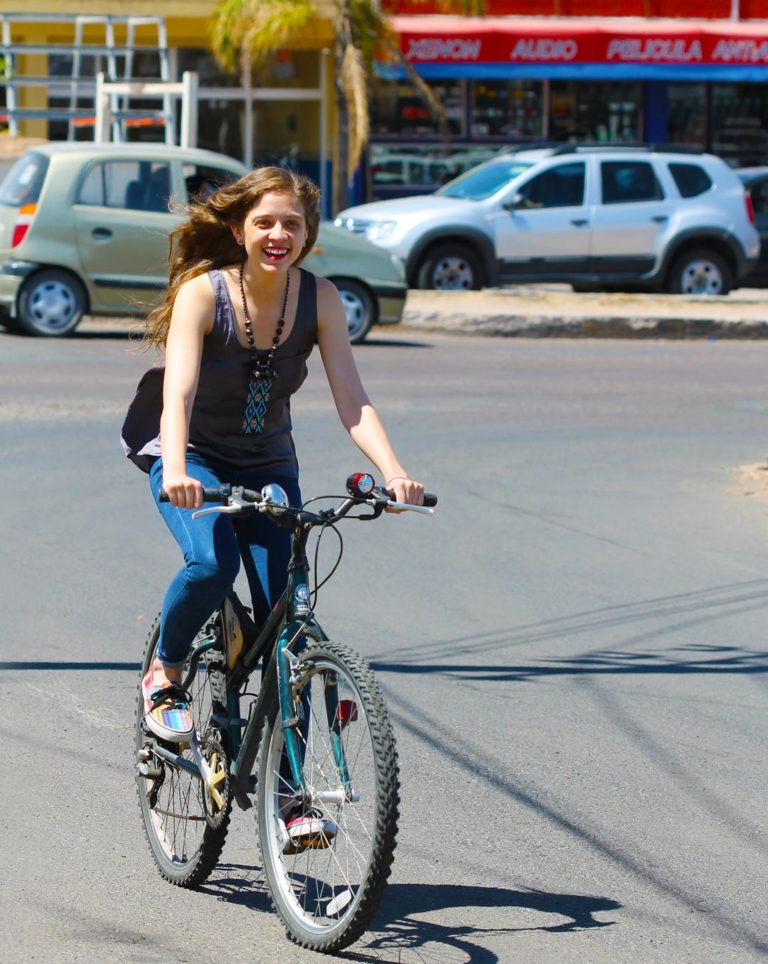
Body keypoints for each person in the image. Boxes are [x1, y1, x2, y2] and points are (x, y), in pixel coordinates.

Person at [121, 166, 424, 749]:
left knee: (288, 628)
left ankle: (288, 793)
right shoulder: (203, 294)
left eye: (292, 224)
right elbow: (177, 393)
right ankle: (168, 672)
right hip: (194, 457)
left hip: (268, 466)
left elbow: (353, 400)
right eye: (264, 223)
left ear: (308, 234)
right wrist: (177, 470)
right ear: (239, 230)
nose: (278, 234)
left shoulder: (321, 298)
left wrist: (395, 473)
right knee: (211, 565)